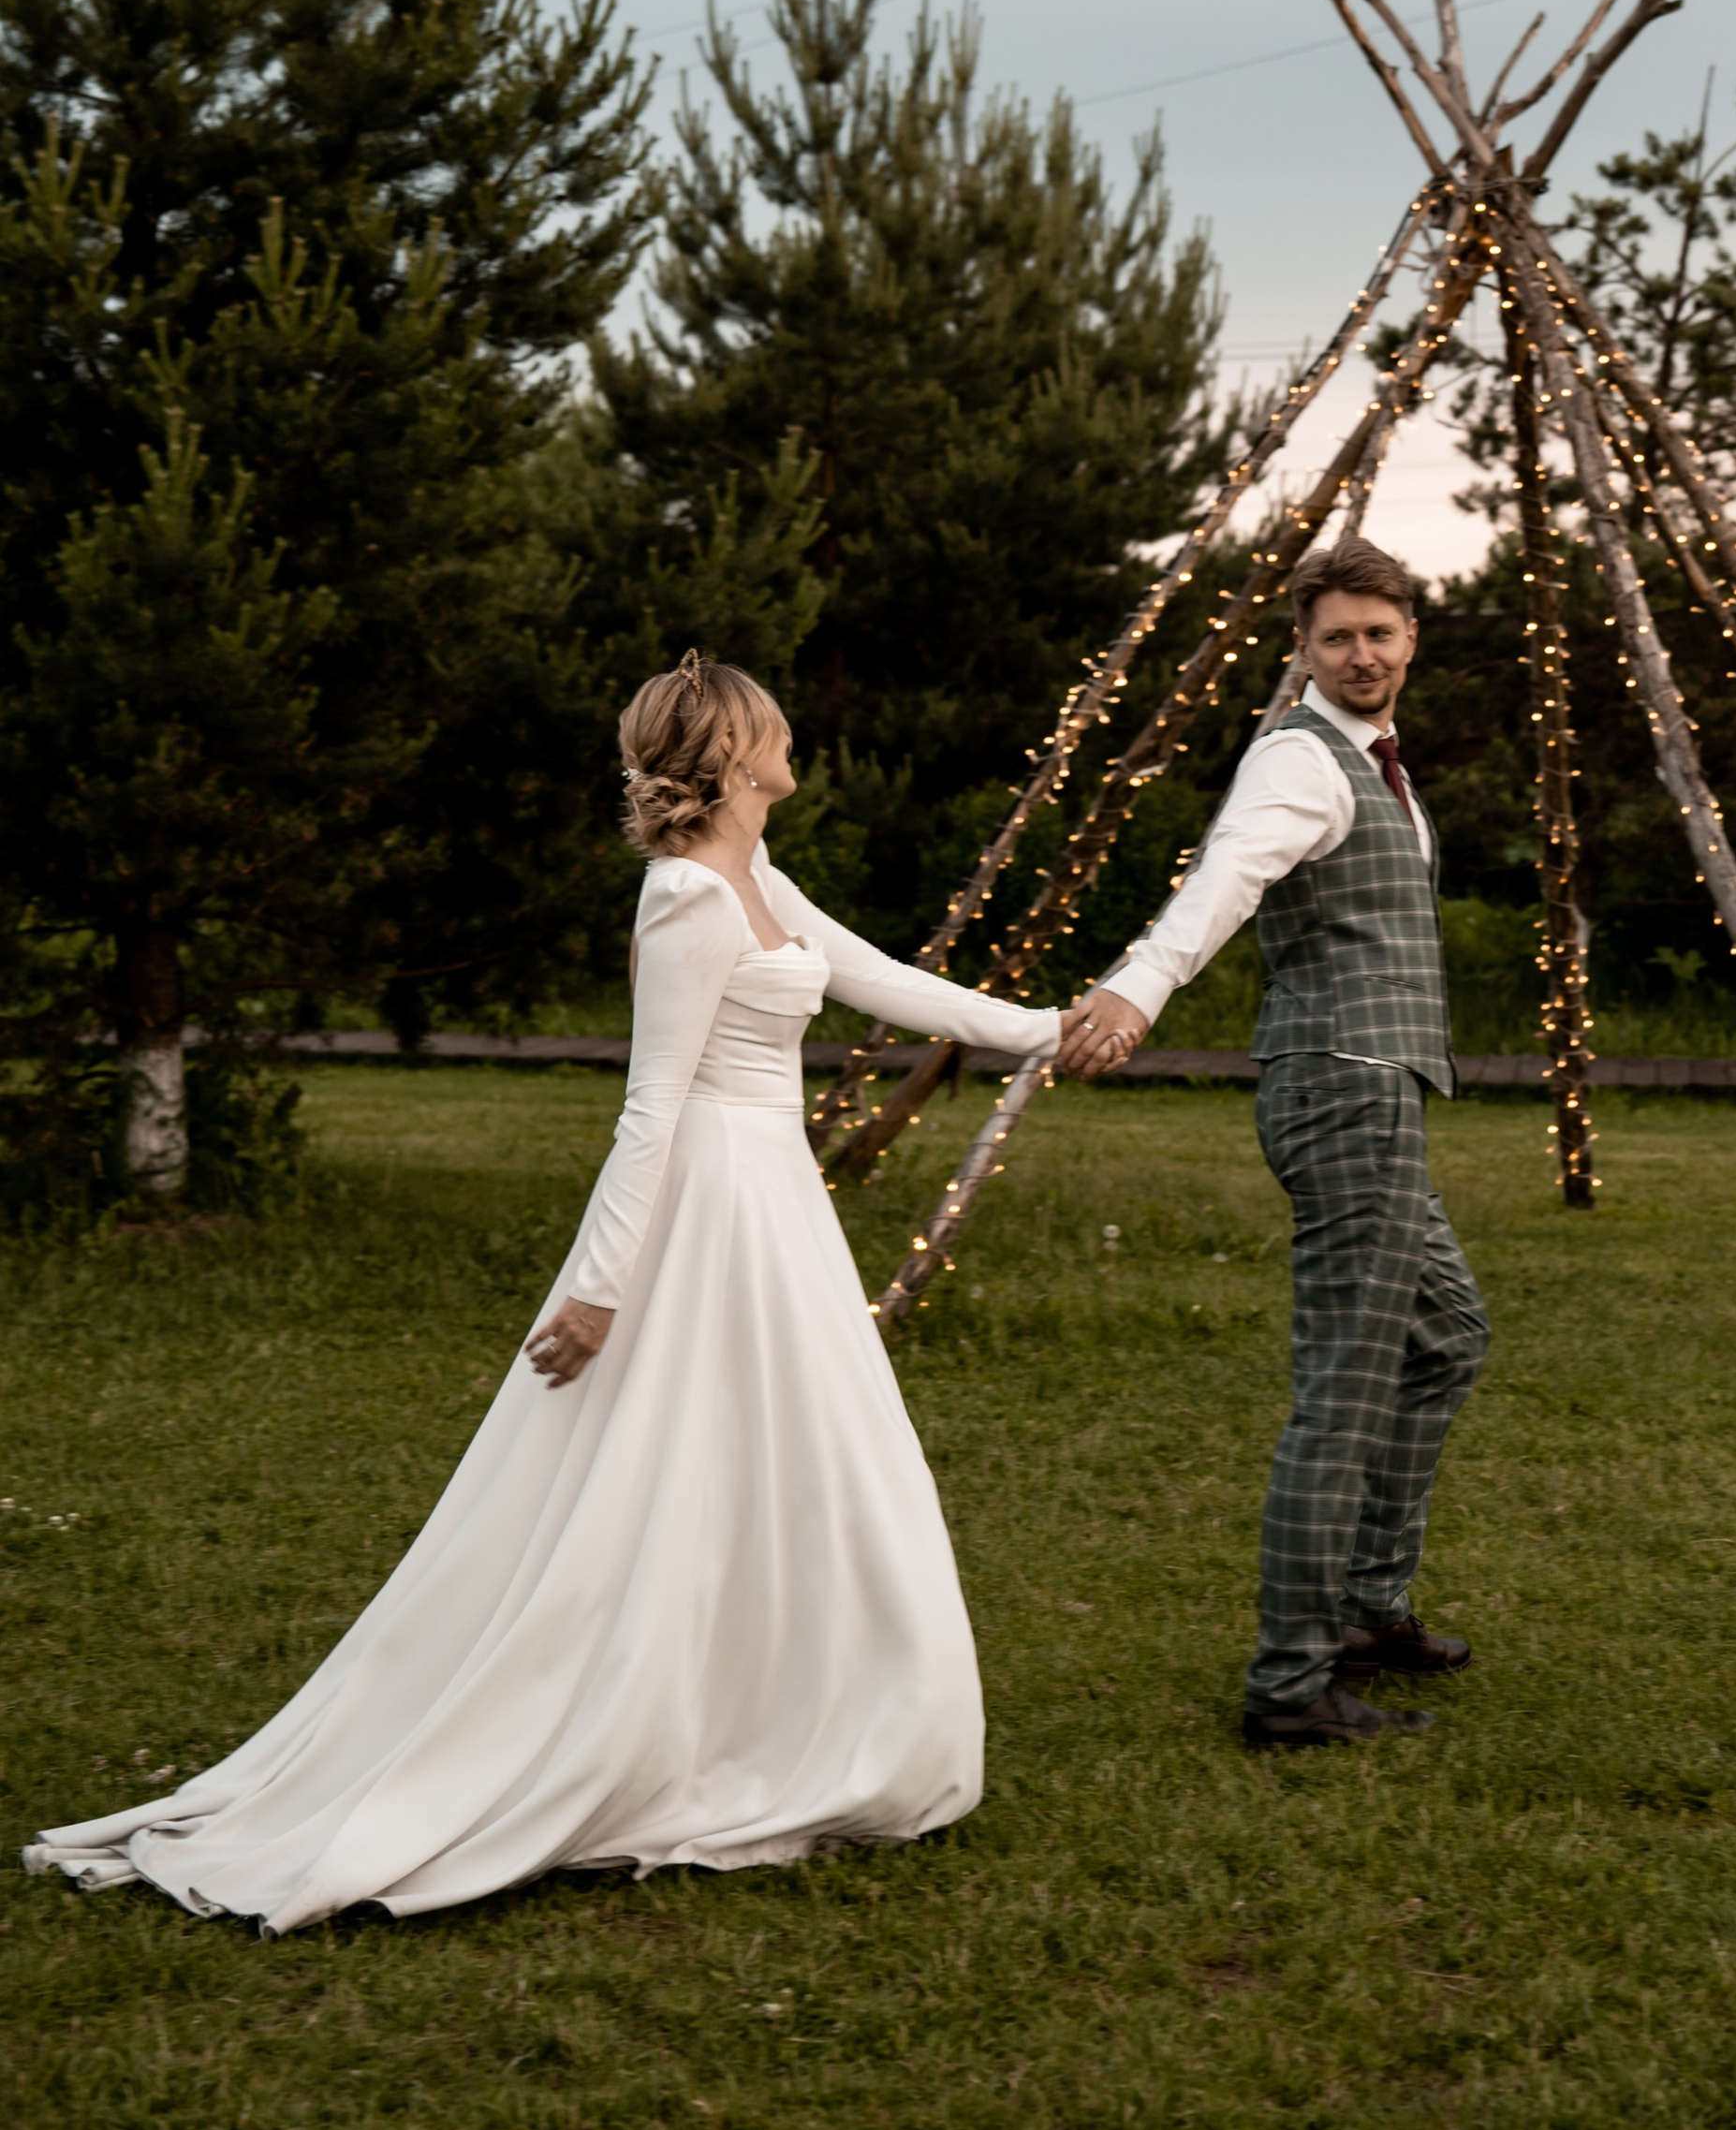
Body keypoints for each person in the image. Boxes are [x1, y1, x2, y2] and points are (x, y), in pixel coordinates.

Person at [24, 654, 1061, 1932]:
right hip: (708, 1208)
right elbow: (649, 1108)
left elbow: (886, 982)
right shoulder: (685, 896)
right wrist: (601, 1291)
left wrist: (1061, 1027)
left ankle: (800, 1718)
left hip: (776, 1205)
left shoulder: (760, 875)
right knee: (669, 1469)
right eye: (774, 729)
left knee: (810, 1461)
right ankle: (632, 1728)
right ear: (735, 757)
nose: (795, 740)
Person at [1055, 535, 1489, 1749]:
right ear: (1302, 648)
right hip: (1342, 1089)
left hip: (1372, 1083)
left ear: (1410, 641)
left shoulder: (1373, 761)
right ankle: (1292, 1683)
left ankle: (1363, 1611)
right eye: (1338, 636)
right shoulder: (1300, 764)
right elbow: (1226, 880)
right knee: (1345, 1389)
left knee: (1446, 1336)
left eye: (1380, 633)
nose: (1362, 653)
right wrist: (1138, 989)